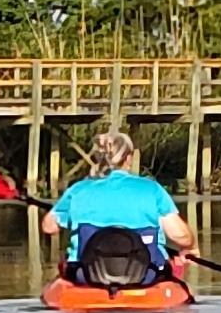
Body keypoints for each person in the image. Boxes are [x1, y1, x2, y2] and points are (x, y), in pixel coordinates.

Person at [41, 124, 194, 290]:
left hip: (86, 276)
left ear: (99, 158)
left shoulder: (78, 190)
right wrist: (189, 248)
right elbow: (181, 236)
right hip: (146, 276)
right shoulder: (152, 189)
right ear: (128, 158)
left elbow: (49, 227)